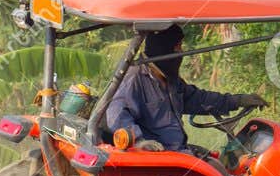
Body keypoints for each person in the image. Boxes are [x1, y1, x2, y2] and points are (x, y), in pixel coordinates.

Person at [103, 25, 266, 152]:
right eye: (178, 47)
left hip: (176, 150)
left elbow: (199, 99)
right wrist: (140, 142)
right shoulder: (134, 78)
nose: (181, 53)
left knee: (216, 163)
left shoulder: (170, 81)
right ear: (164, 48)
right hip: (159, 155)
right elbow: (116, 113)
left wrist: (236, 101)